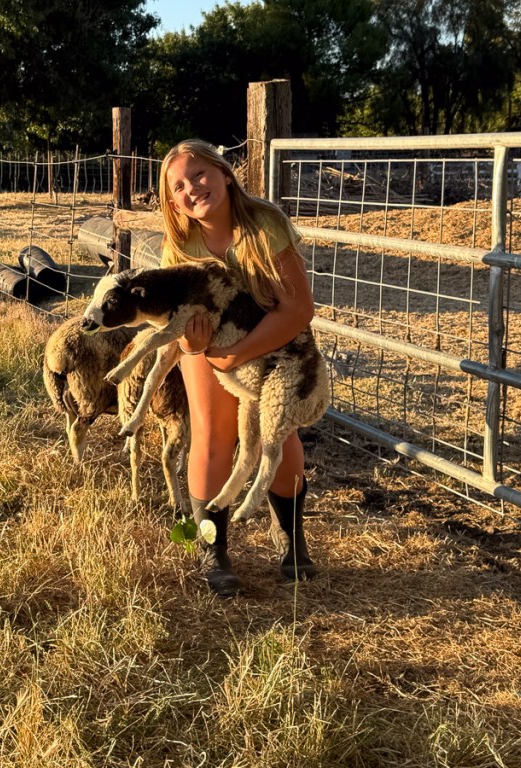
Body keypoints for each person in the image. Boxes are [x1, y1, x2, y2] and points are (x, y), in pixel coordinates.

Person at [158, 139, 318, 597]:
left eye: (200, 175)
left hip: (270, 339)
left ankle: (290, 536)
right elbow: (181, 316)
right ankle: (214, 549)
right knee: (212, 431)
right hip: (209, 347)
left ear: (225, 174)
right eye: (179, 186)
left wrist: (241, 351)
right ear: (173, 201)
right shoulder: (182, 243)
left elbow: (298, 307)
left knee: (276, 433)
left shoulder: (264, 225)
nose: (192, 188)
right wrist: (195, 341)